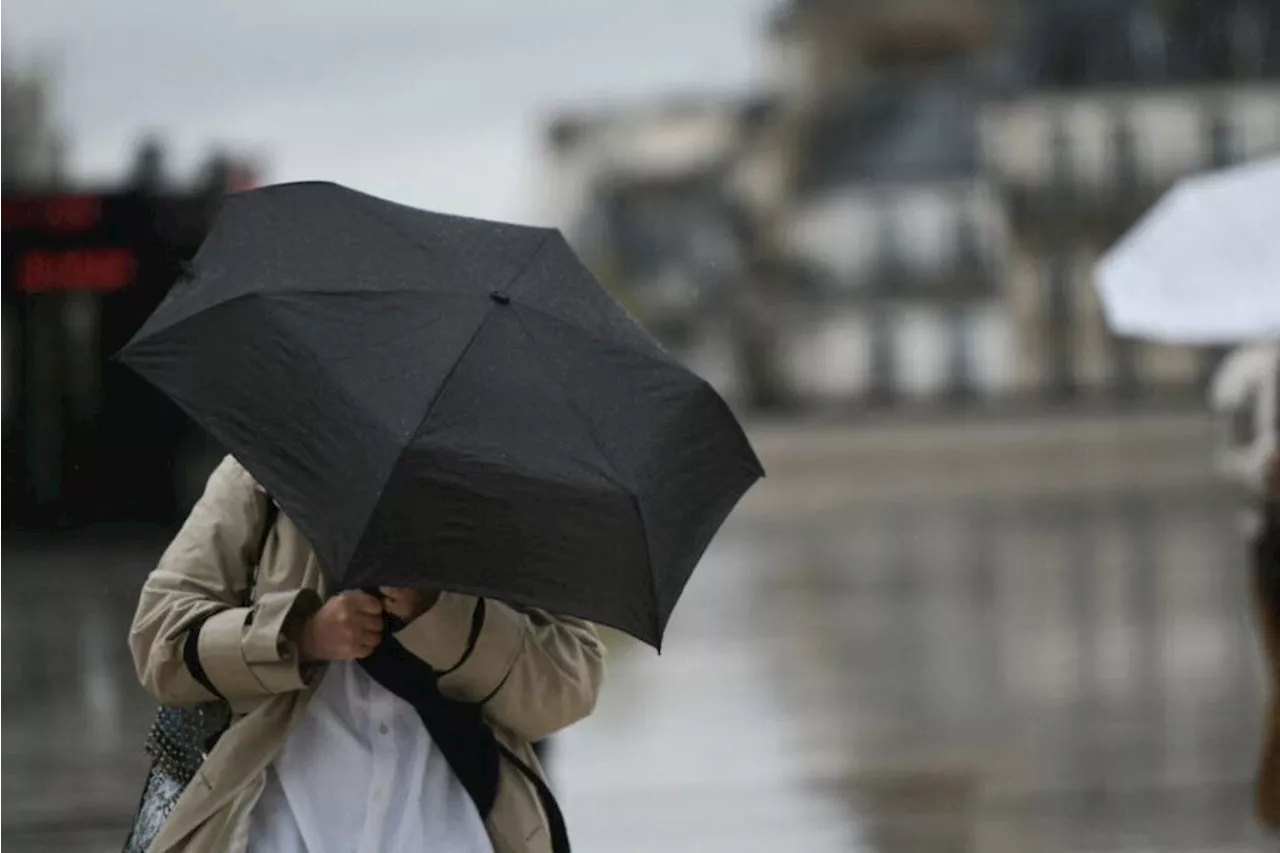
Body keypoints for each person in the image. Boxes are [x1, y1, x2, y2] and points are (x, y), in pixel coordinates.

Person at [129, 455, 606, 853]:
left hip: (450, 831)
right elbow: (159, 640)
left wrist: (443, 618)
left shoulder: (500, 491)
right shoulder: (262, 471)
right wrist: (299, 636)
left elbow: (570, 684)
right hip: (280, 829)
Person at [1209, 342, 1280, 827]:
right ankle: (1272, 805)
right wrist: (1263, 467)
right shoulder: (1245, 374)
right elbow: (1228, 459)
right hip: (1270, 540)